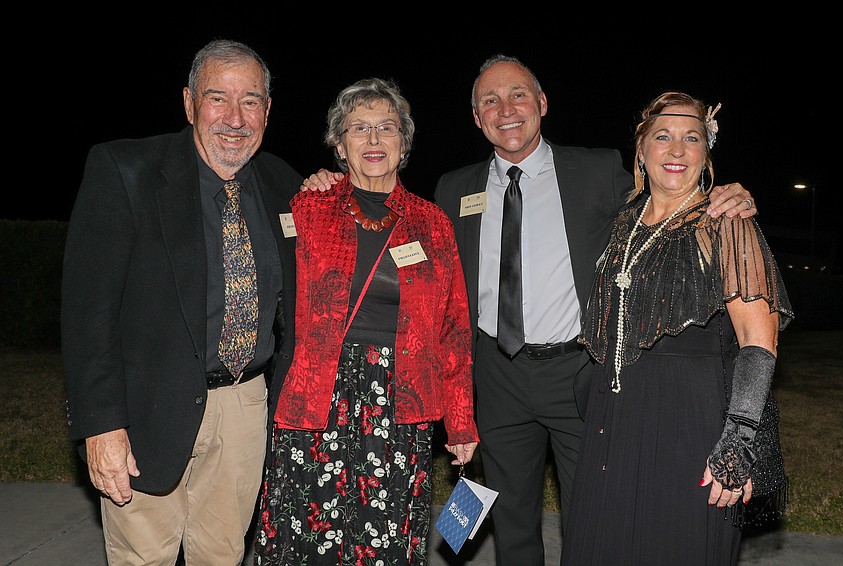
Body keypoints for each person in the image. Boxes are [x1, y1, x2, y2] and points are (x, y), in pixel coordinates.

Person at [302, 54, 757, 566]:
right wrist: (329, 184)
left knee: (594, 514)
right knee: (510, 519)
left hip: (580, 372)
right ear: (476, 117)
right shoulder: (455, 188)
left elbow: (668, 189)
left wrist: (725, 194)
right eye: (490, 100)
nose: (506, 109)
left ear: (541, 103)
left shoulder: (597, 170)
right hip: (497, 376)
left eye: (518, 95)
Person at [61, 39, 303, 565]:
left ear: (267, 110)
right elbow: (87, 315)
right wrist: (100, 425)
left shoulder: (284, 184)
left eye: (250, 101)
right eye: (218, 98)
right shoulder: (126, 170)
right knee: (143, 558)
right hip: (146, 409)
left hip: (244, 406)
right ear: (189, 103)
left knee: (221, 556)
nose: (235, 118)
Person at [252, 77, 478, 565]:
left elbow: (453, 331)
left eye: (386, 127)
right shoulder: (308, 208)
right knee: (307, 532)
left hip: (400, 402)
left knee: (383, 537)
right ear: (339, 145)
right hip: (317, 395)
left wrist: (460, 423)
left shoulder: (433, 223)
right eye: (358, 128)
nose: (373, 139)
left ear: (404, 143)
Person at [561, 91, 794, 565]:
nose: (677, 150)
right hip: (612, 424)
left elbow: (758, 343)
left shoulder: (725, 223)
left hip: (689, 426)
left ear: (706, 153)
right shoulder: (622, 221)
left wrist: (739, 441)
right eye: (663, 136)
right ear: (641, 150)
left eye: (692, 138)